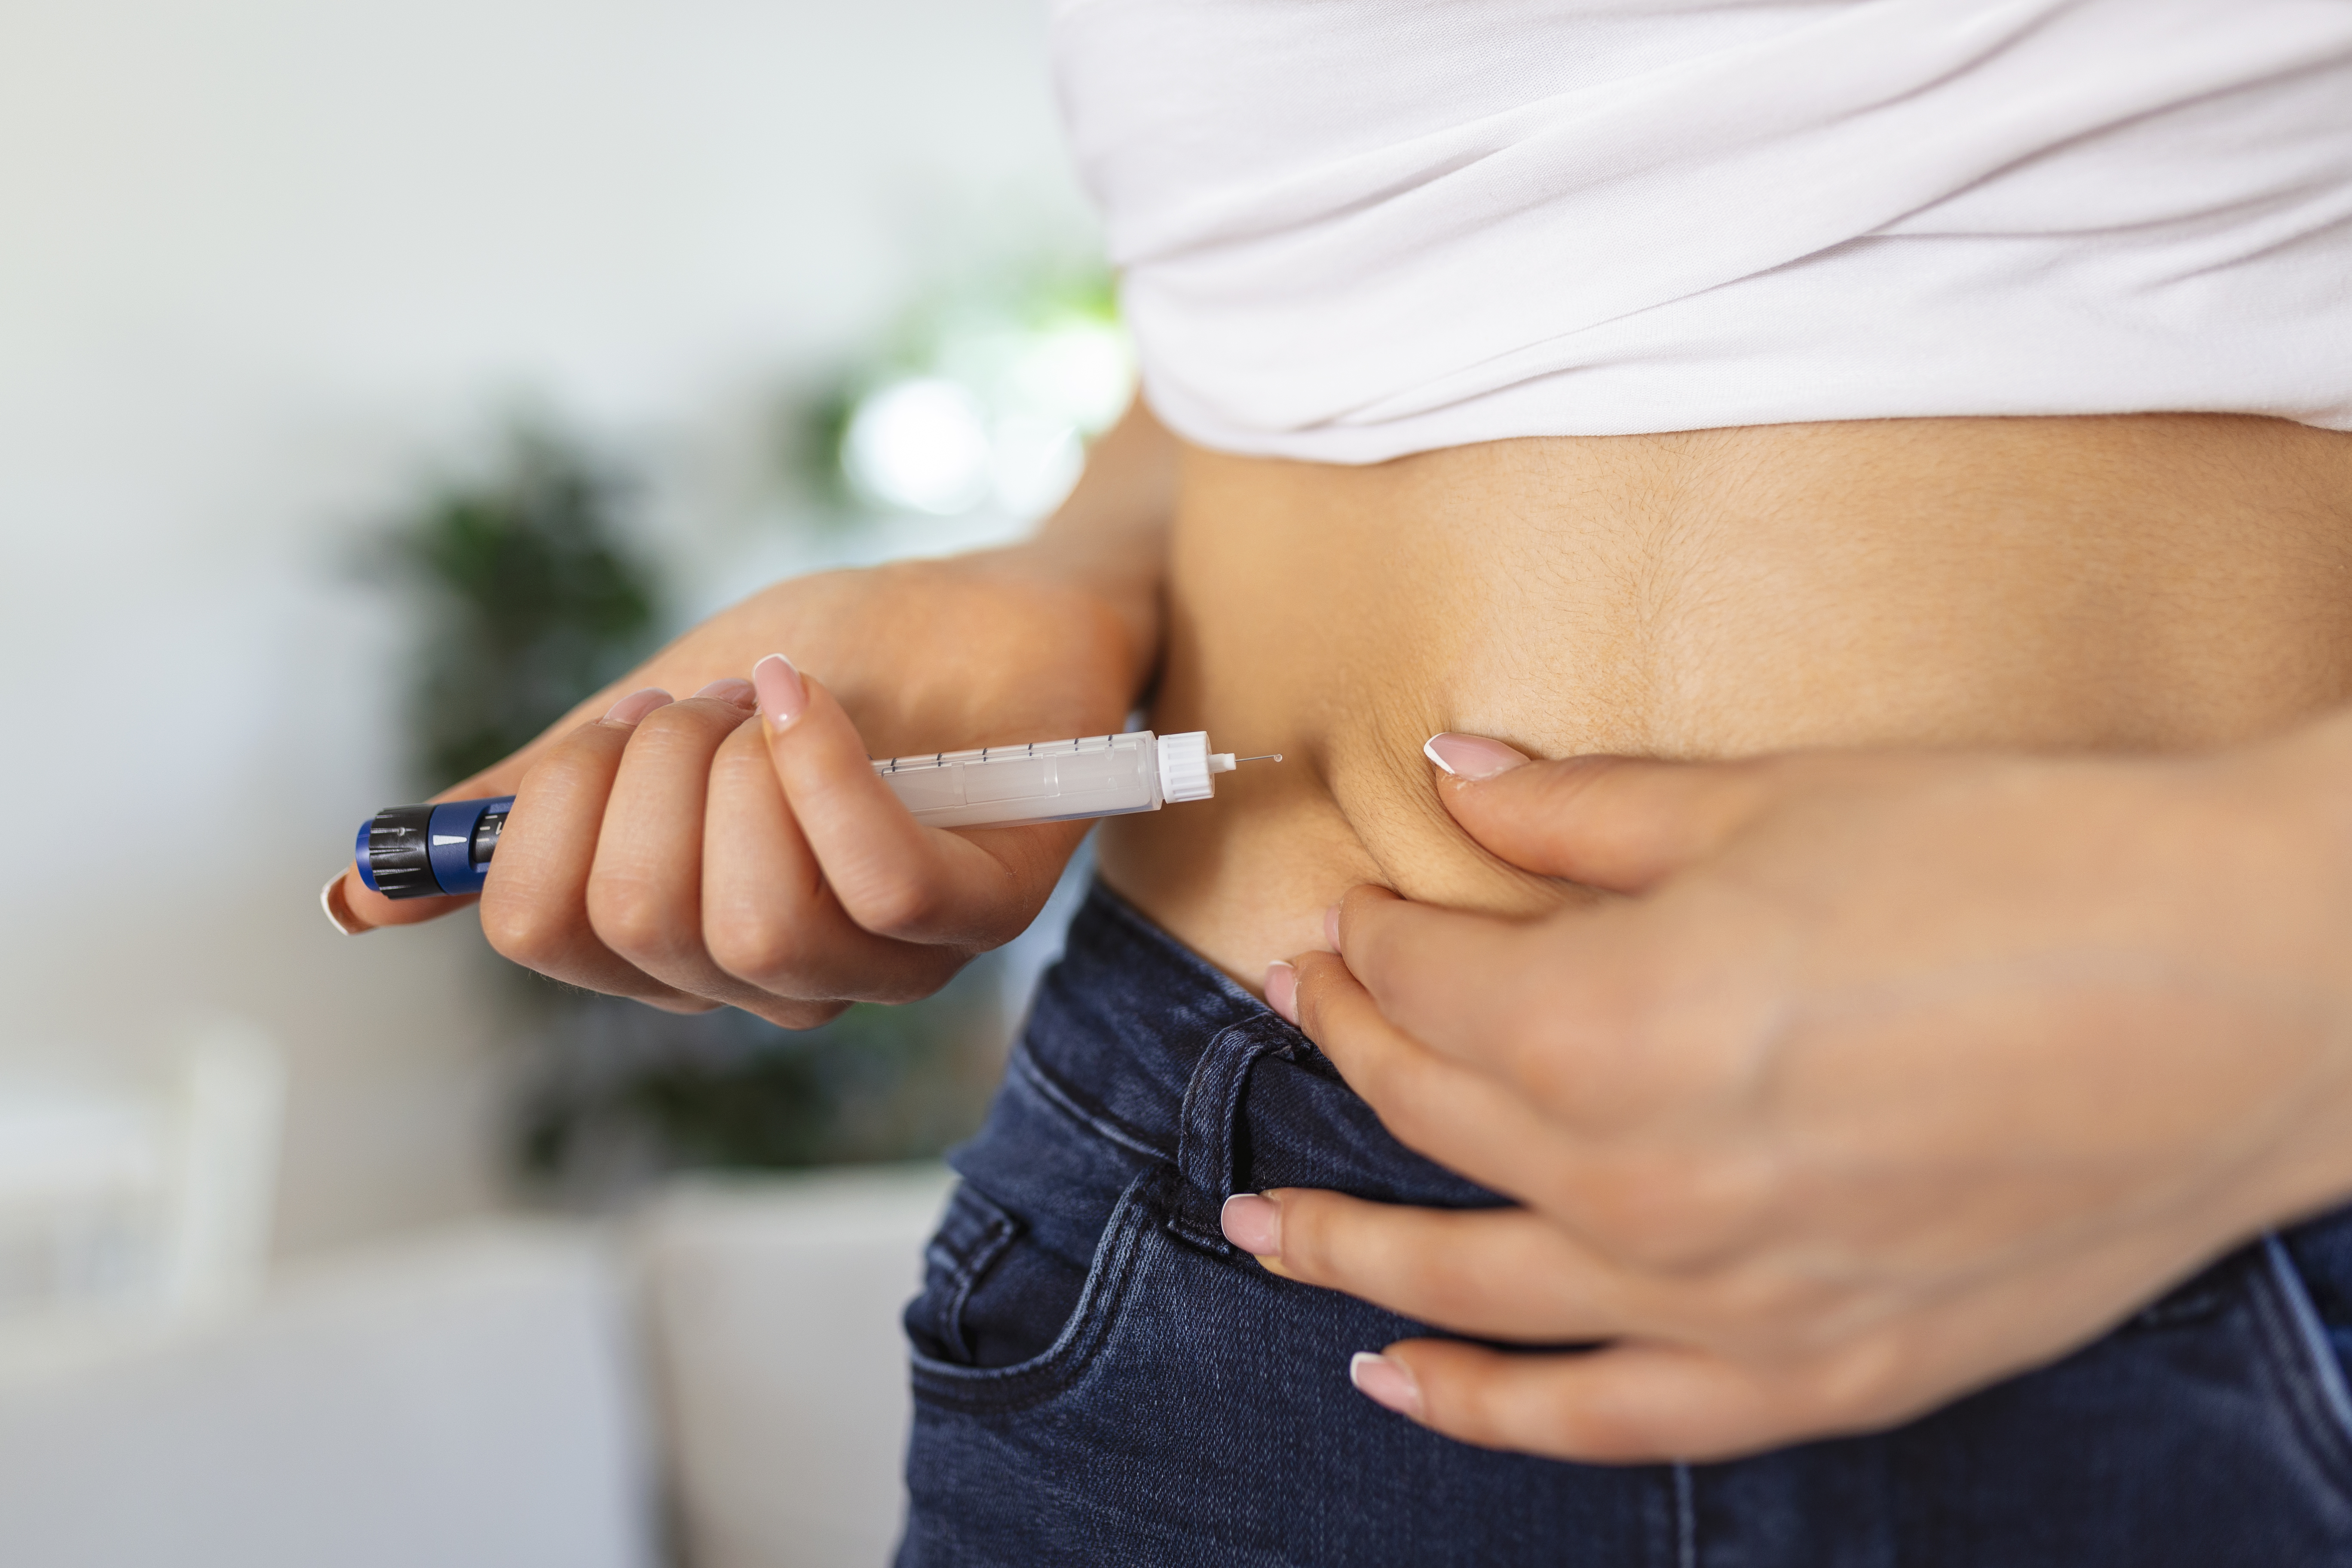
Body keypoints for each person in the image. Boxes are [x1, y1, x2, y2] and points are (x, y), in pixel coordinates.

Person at [325, 2, 2352, 1561]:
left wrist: (2259, 978)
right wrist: (1070, 567)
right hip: (1238, 1245)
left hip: (2223, 1188)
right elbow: (1293, 285)